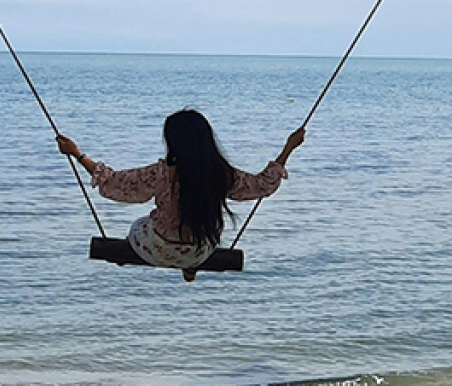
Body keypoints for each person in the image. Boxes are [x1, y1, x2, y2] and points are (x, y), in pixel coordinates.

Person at [57, 109, 305, 282]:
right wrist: (289, 147)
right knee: (201, 230)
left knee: (138, 227)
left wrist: (76, 153)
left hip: (157, 249)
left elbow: (113, 183)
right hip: (199, 251)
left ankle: (129, 256)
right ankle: (189, 267)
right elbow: (262, 185)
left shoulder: (161, 173)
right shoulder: (220, 173)